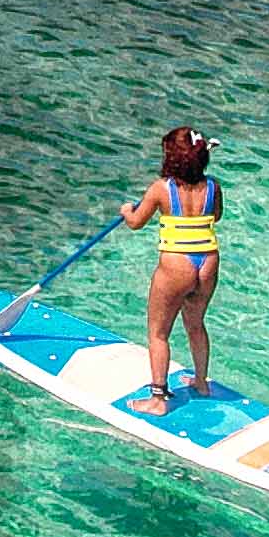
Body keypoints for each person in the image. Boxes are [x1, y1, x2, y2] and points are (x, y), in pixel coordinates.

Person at [113, 127, 222, 412]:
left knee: (158, 332)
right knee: (195, 324)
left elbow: (136, 222)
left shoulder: (161, 189)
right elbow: (216, 216)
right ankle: (201, 382)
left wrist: (126, 211)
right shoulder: (213, 186)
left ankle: (158, 400)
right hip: (207, 263)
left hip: (176, 265)